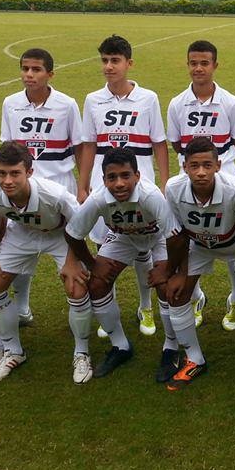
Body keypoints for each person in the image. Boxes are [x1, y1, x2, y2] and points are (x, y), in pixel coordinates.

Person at [77, 34, 168, 338]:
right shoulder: (92, 99)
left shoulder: (148, 98)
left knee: (144, 249)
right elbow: (89, 145)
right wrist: (83, 184)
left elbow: (159, 143)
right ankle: (110, 306)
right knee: (106, 247)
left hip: (139, 182)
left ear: (129, 63)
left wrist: (165, 181)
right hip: (105, 183)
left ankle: (146, 307)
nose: (109, 66)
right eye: (104, 60)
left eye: (115, 60)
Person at [0, 142, 88, 383]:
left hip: (61, 235)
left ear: (29, 172)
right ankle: (13, 351)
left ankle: (81, 353)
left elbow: (78, 226)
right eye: (2, 173)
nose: (7, 180)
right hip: (23, 232)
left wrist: (71, 261)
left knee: (76, 287)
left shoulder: (55, 194)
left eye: (15, 173)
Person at [63, 148, 176, 378]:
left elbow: (175, 236)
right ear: (103, 180)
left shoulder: (151, 196)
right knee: (97, 284)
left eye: (126, 175)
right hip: (123, 237)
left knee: (167, 287)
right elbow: (73, 233)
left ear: (137, 175)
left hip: (157, 237)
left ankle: (171, 347)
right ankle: (121, 346)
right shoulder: (97, 199)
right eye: (112, 177)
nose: (119, 183)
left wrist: (167, 268)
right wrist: (92, 264)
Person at [162, 138, 235, 392]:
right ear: (184, 167)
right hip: (199, 246)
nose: (201, 172)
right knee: (177, 294)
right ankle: (194, 358)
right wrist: (179, 272)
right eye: (194, 166)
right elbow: (178, 233)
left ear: (218, 166)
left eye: (207, 165)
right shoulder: (173, 188)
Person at [0, 47, 83, 327]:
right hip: (22, 189)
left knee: (73, 250)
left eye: (36, 70)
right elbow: (8, 147)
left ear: (50, 73)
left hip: (59, 187)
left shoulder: (66, 104)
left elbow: (80, 147)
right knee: (21, 247)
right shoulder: (10, 103)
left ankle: (85, 306)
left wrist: (82, 186)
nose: (29, 75)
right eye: (25, 69)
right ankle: (22, 307)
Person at [166, 39, 235, 331]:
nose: (198, 68)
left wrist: (218, 164)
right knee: (188, 236)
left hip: (225, 170)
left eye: (204, 63)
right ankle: (195, 297)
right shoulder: (177, 103)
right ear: (188, 64)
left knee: (233, 237)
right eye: (193, 63)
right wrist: (193, 166)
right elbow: (176, 141)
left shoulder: (230, 101)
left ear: (215, 65)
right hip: (190, 175)